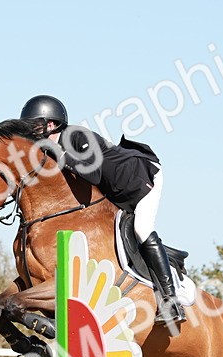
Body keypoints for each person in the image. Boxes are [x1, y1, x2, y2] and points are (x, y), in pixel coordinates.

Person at [20, 94, 185, 325]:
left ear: (52, 124)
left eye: (35, 125)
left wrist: (62, 158)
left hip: (141, 178)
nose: (31, 131)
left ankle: (171, 300)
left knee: (141, 228)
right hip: (115, 191)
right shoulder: (48, 149)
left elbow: (94, 173)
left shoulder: (77, 136)